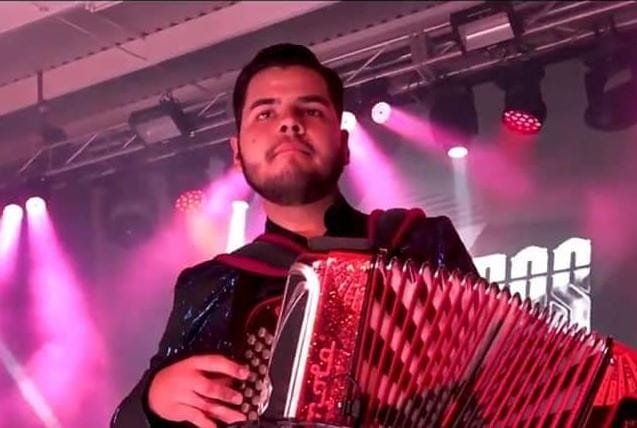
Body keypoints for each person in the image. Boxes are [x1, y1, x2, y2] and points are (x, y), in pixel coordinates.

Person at [111, 43, 477, 428]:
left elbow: (492, 375)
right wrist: (154, 399)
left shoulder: (420, 242)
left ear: (344, 144)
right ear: (237, 153)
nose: (289, 123)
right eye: (265, 113)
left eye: (312, 110)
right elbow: (127, 421)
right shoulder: (210, 285)